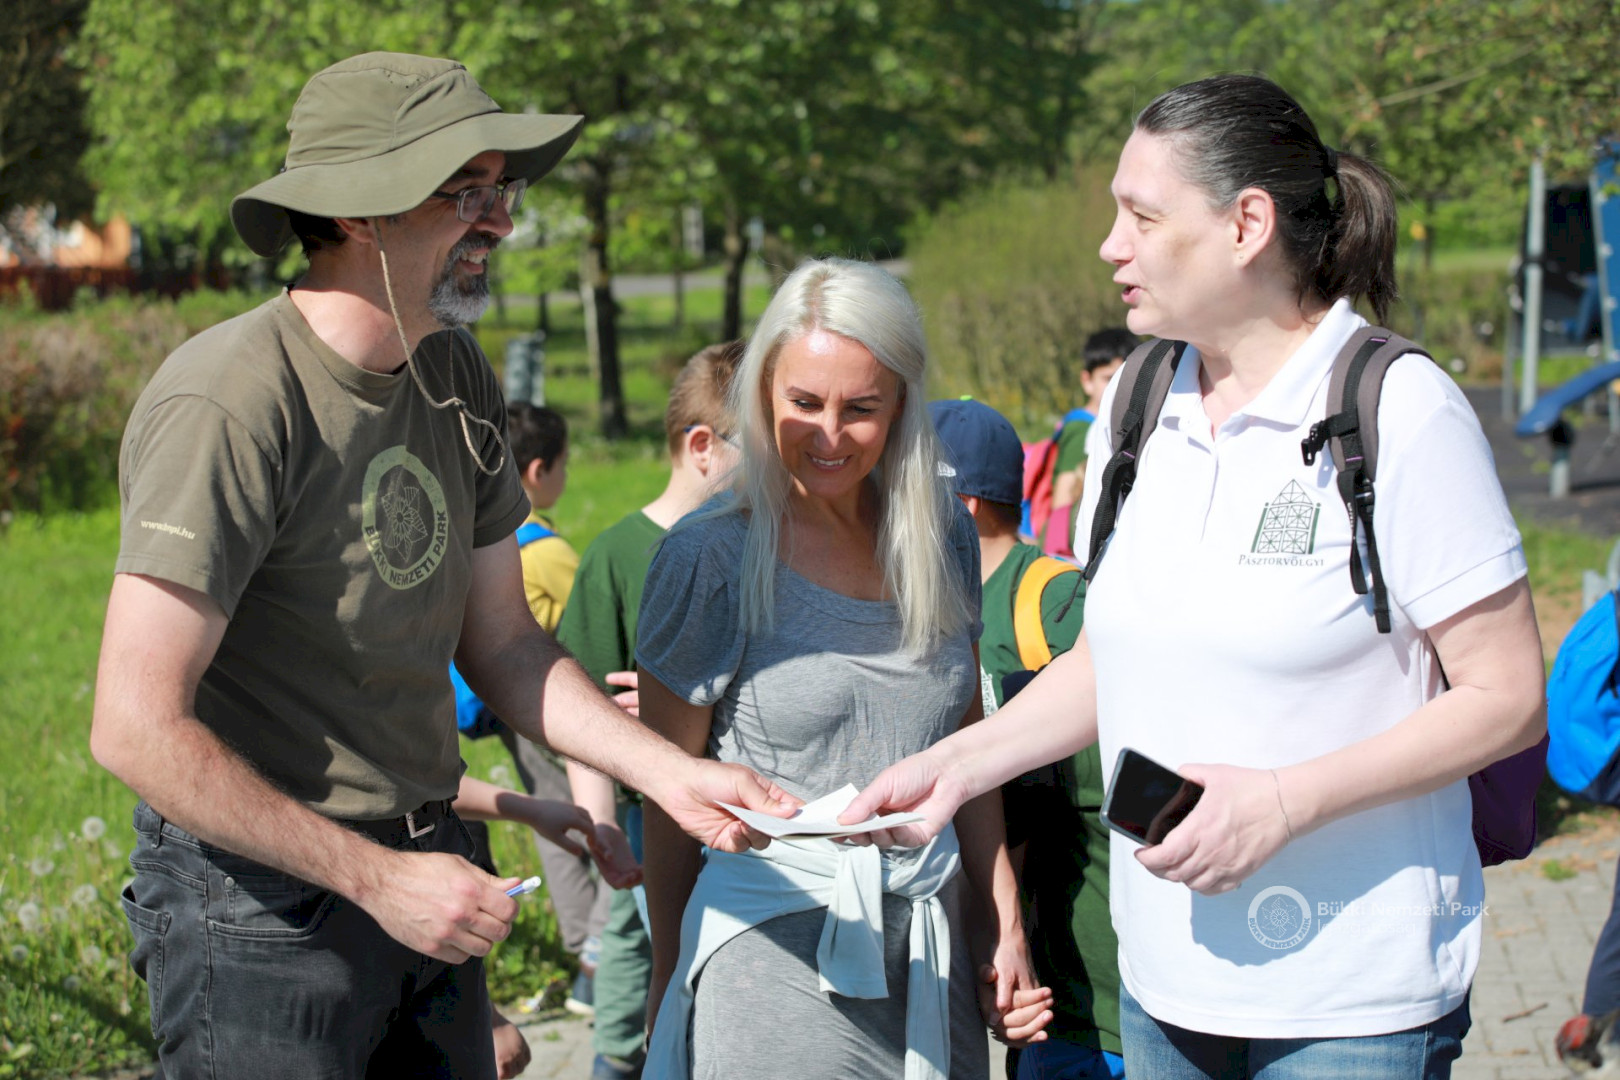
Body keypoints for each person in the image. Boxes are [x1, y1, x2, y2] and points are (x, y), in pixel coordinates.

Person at [91, 51, 793, 1079]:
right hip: (260, 910)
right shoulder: (229, 401)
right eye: (466, 192)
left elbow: (506, 643)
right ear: (356, 211)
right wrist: (375, 878)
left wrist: (671, 775)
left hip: (428, 871)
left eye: (502, 190)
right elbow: (133, 725)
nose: (501, 222)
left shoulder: (453, 371)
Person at [842, 74, 1546, 1079]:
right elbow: (1107, 664)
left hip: (1353, 1001)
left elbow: (1508, 698)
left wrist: (1285, 802)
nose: (1110, 246)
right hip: (1162, 990)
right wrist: (954, 770)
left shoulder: (1401, 410)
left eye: (1141, 216)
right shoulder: (1135, 403)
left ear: (1247, 225)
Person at [637, 257, 1050, 1080]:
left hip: (929, 951)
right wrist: (668, 974)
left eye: (860, 408)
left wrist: (1001, 926)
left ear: (901, 403)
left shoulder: (942, 533)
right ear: (763, 393)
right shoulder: (708, 556)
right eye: (804, 403)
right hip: (772, 953)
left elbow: (967, 745)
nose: (829, 435)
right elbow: (667, 794)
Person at [554, 340, 744, 1079]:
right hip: (652, 822)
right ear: (703, 447)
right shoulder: (617, 554)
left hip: (747, 820)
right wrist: (602, 824)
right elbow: (582, 716)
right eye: (759, 447)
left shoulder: (767, 545)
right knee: (669, 965)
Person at [930, 398, 1120, 1080]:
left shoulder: (1057, 602)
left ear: (963, 505)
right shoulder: (925, 606)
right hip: (1009, 969)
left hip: (1083, 988)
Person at [486, 401, 621, 1015]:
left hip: (511, 716)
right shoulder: (544, 550)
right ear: (539, 470)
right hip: (557, 713)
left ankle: (579, 953)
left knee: (555, 828)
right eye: (563, 465)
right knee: (603, 824)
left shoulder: (489, 539)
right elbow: (596, 622)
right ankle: (599, 955)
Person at [1046, 328, 1136, 558]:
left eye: (1124, 378)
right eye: (1108, 378)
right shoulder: (1082, 429)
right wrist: (1060, 553)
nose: (1117, 386)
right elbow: (1063, 498)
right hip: (1069, 549)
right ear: (1087, 381)